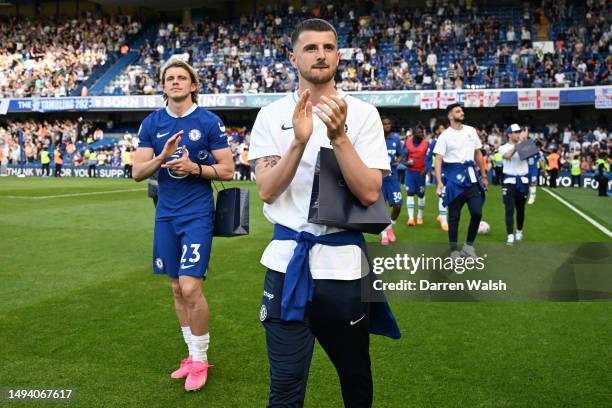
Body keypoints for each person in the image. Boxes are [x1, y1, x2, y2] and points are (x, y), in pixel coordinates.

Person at [248, 19, 399, 408]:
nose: (320, 55)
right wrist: (298, 142)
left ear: (338, 55)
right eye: (311, 48)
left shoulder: (362, 114)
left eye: (328, 47)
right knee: (284, 387)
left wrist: (338, 137)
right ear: (292, 56)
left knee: (355, 380)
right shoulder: (270, 115)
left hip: (343, 269)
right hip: (286, 268)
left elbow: (369, 192)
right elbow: (266, 190)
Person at [132, 58, 234, 392]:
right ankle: (191, 356)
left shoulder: (208, 121)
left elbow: (228, 170)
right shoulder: (152, 122)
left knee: (191, 287)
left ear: (193, 85)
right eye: (169, 78)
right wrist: (162, 157)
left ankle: (201, 359)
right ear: (163, 86)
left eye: (182, 78)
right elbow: (138, 173)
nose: (175, 82)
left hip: (197, 214)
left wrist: (195, 168)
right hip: (165, 214)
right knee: (176, 288)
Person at [434, 103, 488, 259]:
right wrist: (439, 182)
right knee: (454, 217)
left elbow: (478, 153)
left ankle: (468, 247)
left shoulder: (471, 131)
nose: (461, 112)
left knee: (477, 213)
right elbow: (438, 160)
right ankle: (454, 251)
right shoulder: (444, 135)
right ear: (450, 116)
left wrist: (483, 176)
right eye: (458, 111)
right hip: (453, 180)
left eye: (462, 110)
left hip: (472, 179)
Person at [499, 124, 529, 246]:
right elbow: (507, 156)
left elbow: (529, 155)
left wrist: (524, 142)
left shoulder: (524, 144)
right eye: (515, 132)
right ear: (509, 134)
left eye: (519, 132)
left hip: (522, 181)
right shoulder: (503, 147)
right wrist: (518, 146)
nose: (518, 134)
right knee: (509, 209)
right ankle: (510, 235)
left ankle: (519, 230)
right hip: (509, 181)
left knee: (521, 209)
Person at [380, 116, 403, 245]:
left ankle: (389, 226)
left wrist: (398, 161)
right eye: (384, 124)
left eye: (389, 123)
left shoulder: (395, 139)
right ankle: (383, 234)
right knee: (381, 208)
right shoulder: (375, 139)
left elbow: (401, 154)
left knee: (398, 205)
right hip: (379, 178)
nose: (387, 126)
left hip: (393, 177)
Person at [425, 122, 448, 231]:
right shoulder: (434, 143)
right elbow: (427, 159)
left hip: (451, 173)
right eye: (442, 127)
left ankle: (441, 215)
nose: (444, 129)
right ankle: (444, 222)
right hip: (441, 173)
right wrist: (431, 171)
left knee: (451, 197)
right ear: (437, 131)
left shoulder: (449, 141)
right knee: (443, 195)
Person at [404, 125, 429, 226]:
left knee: (421, 195)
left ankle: (419, 217)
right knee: (410, 193)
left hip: (421, 173)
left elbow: (430, 158)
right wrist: (406, 162)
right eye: (419, 132)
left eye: (422, 132)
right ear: (414, 133)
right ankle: (411, 219)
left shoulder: (426, 144)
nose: (422, 134)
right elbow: (403, 156)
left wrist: (426, 168)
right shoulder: (407, 142)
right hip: (410, 172)